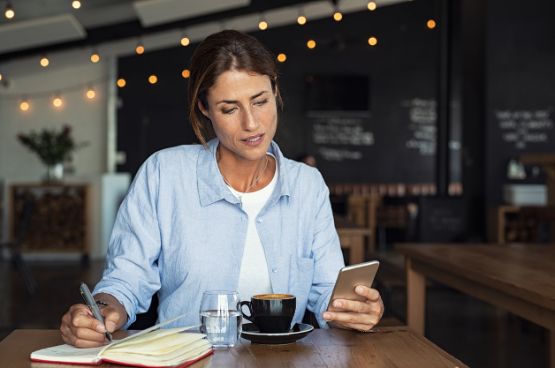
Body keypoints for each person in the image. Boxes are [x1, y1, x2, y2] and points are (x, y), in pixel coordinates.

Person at [60, 30, 384, 348]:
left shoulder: (307, 185)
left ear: (275, 90)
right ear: (204, 107)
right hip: (186, 360)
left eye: (260, 101)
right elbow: (125, 279)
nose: (252, 124)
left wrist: (355, 311)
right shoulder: (164, 173)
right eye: (230, 108)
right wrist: (101, 312)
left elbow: (330, 291)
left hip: (282, 360)